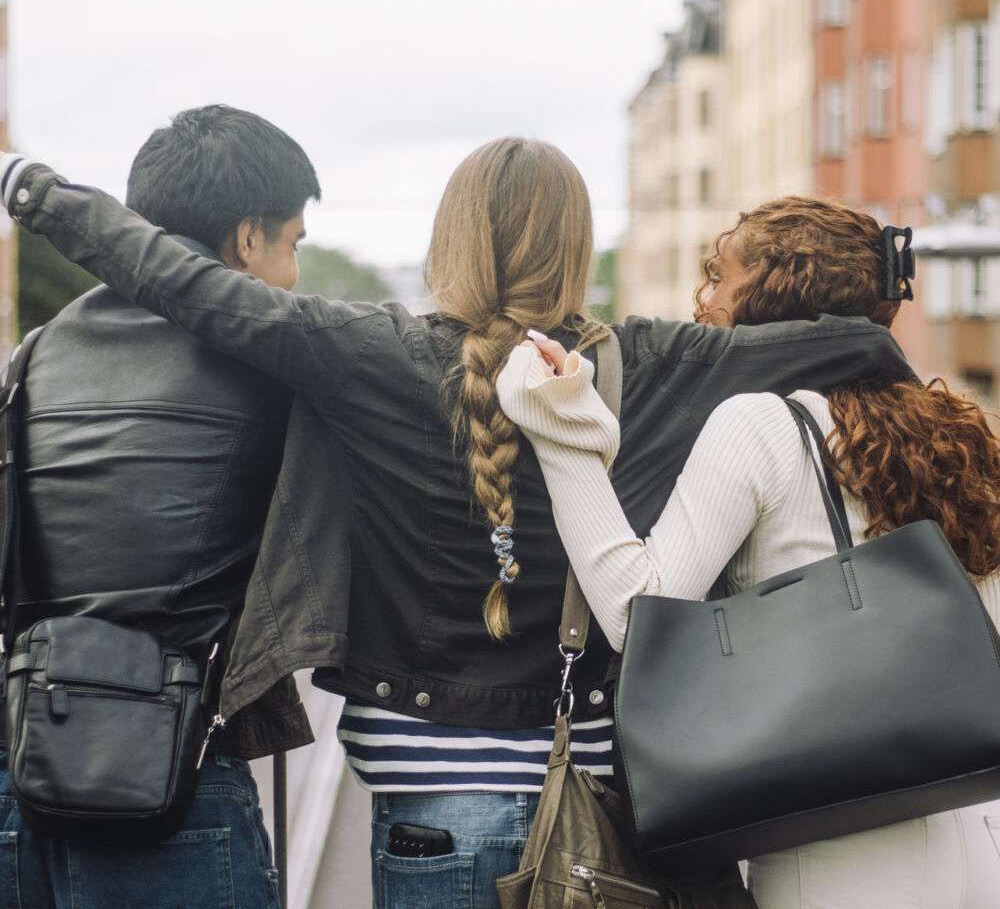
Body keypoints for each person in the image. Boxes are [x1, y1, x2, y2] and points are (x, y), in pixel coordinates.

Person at [0, 141, 915, 909]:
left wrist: (33, 191)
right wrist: (890, 281)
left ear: (451, 238)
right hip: (606, 810)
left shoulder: (368, 353)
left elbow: (190, 285)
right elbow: (859, 343)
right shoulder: (659, 360)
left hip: (428, 816)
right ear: (578, 243)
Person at [497, 196, 1000, 909]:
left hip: (838, 852)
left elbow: (638, 616)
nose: (702, 303)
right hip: (974, 827)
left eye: (718, 276)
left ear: (775, 291)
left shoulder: (763, 423)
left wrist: (560, 430)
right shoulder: (959, 438)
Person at [0, 105, 321, 909]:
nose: (292, 274)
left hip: (27, 756)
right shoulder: (268, 350)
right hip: (168, 776)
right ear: (248, 239)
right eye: (292, 245)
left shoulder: (37, 355)